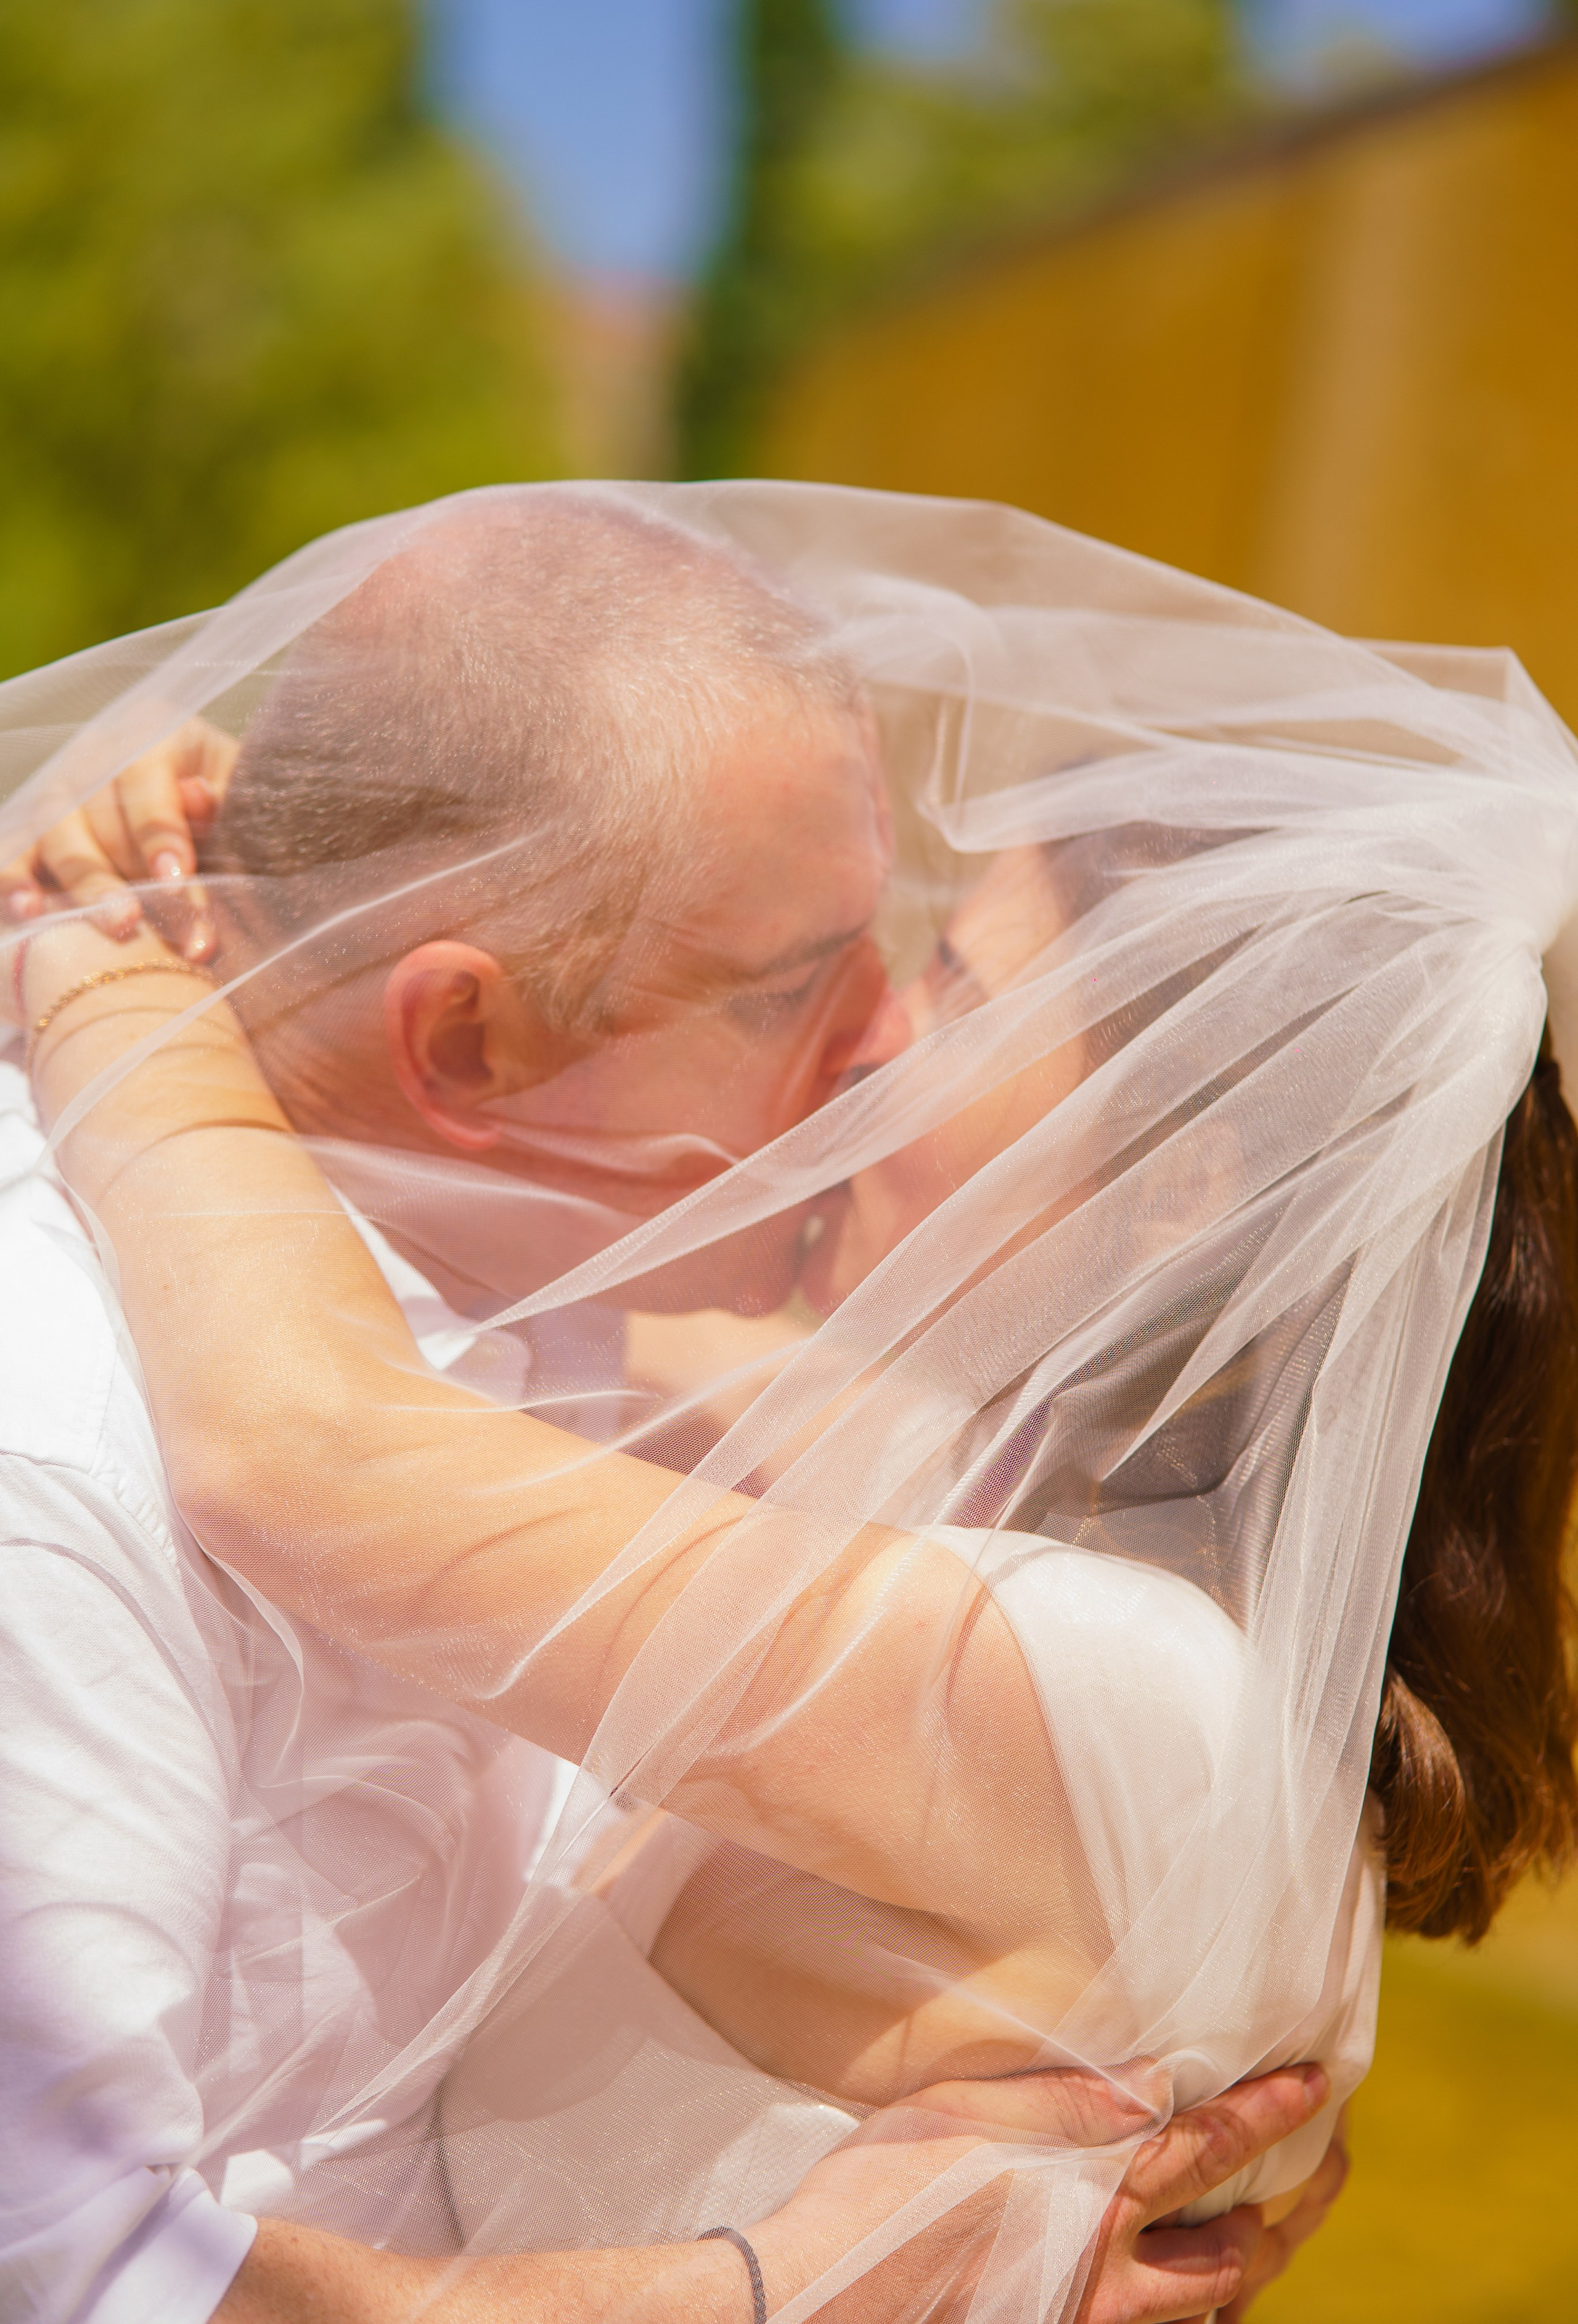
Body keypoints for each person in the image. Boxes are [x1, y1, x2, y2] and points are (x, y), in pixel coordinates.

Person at [8, 481, 1576, 2318]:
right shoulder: (855, 1446)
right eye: (809, 977)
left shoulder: (1133, 1688)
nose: (879, 1041)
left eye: (951, 982)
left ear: (1179, 1195)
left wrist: (105, 976)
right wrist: (213, 878)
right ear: (470, 1037)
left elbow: (318, 1436)